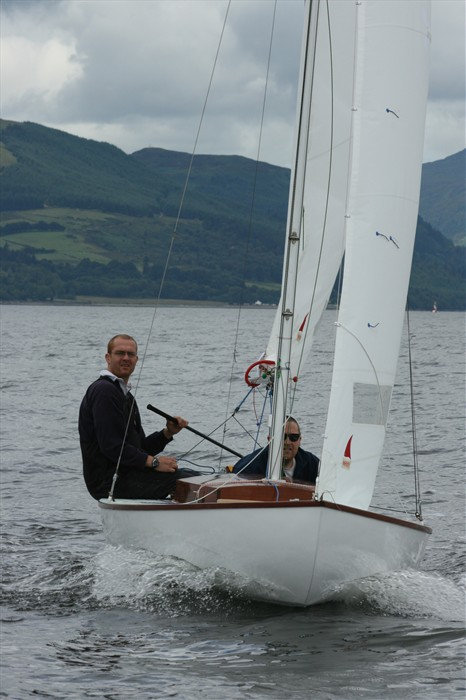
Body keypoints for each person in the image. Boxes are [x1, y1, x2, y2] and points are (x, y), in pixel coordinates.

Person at [79, 333, 197, 500]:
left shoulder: (126, 396)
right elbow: (111, 446)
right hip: (109, 482)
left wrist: (167, 433)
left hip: (130, 475)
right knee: (191, 481)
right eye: (120, 353)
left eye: (131, 354)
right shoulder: (104, 391)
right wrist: (154, 463)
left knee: (195, 476)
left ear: (136, 359)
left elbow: (139, 448)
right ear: (108, 357)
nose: (126, 358)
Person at [232, 417, 319, 484]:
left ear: (300, 440)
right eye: (282, 437)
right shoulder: (251, 465)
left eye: (293, 437)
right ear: (270, 440)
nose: (287, 442)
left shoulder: (312, 463)